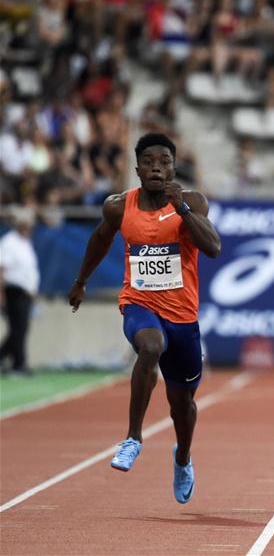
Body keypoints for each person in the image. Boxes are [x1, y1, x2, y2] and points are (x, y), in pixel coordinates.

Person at [68, 133, 221, 504]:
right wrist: (81, 281)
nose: (157, 167)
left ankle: (182, 457)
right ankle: (133, 437)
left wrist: (182, 209)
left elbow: (213, 247)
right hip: (139, 303)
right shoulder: (119, 206)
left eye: (164, 161)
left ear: (173, 167)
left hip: (182, 315)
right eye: (149, 161)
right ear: (137, 169)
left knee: (181, 405)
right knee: (149, 347)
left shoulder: (192, 202)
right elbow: (101, 239)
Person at [0, 206, 40, 376]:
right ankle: (19, 364)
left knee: (20, 328)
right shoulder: (9, 242)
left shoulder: (25, 243)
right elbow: (2, 269)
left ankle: (9, 360)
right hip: (13, 291)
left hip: (25, 293)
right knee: (18, 328)